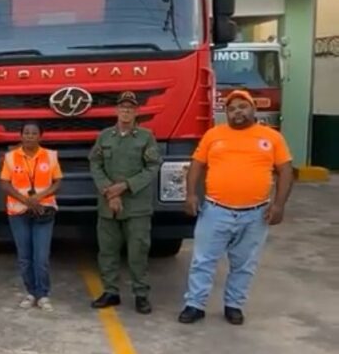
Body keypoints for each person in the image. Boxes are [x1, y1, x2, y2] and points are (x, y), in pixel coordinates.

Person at [178, 89, 294, 325]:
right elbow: (196, 166)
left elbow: (286, 171)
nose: (237, 112)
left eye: (242, 107)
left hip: (255, 215)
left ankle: (234, 306)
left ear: (253, 109)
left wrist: (279, 205)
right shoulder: (213, 135)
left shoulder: (272, 138)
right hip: (215, 211)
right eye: (231, 109)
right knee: (203, 261)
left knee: (244, 264)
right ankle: (195, 305)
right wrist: (190, 195)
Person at [88, 91, 162, 314]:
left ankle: (141, 294)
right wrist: (110, 192)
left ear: (136, 112)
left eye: (130, 108)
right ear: (116, 110)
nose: (126, 111)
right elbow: (95, 164)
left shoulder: (146, 137)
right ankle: (110, 291)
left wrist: (126, 186)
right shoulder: (105, 136)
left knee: (137, 252)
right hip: (108, 205)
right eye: (122, 107)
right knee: (107, 252)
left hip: (136, 206)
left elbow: (152, 167)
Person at [0, 122, 63, 311]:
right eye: (26, 133)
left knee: (41, 257)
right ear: (21, 136)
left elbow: (57, 182)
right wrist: (25, 200)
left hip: (43, 211)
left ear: (40, 136)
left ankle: (43, 294)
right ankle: (31, 292)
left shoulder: (50, 156)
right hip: (18, 212)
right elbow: (4, 183)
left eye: (33, 133)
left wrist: (39, 197)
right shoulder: (11, 157)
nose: (29, 136)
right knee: (25, 257)